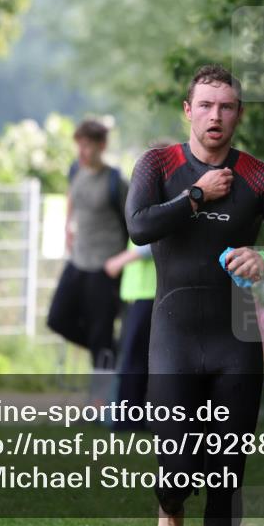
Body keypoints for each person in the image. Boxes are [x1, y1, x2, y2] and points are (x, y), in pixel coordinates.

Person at [126, 65, 264, 526]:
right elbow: (139, 227)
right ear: (188, 111)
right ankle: (169, 512)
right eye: (206, 106)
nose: (216, 116)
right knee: (172, 479)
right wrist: (197, 194)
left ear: (239, 115)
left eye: (226, 107)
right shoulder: (159, 165)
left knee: (225, 479)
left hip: (235, 344)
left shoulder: (260, 178)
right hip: (174, 338)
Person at [47, 118, 129, 369]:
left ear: (102, 146)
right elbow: (73, 194)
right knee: (57, 319)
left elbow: (135, 225)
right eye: (79, 145)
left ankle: (103, 404)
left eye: (87, 146)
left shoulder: (116, 182)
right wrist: (67, 224)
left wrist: (123, 261)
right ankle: (116, 354)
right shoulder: (76, 170)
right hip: (77, 260)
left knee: (100, 336)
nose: (81, 151)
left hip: (105, 268)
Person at [104, 140, 173, 431]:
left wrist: (121, 259)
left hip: (150, 292)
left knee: (135, 357)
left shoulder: (167, 198)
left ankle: (127, 421)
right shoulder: (152, 194)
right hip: (138, 292)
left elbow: (151, 238)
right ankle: (133, 417)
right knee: (134, 356)